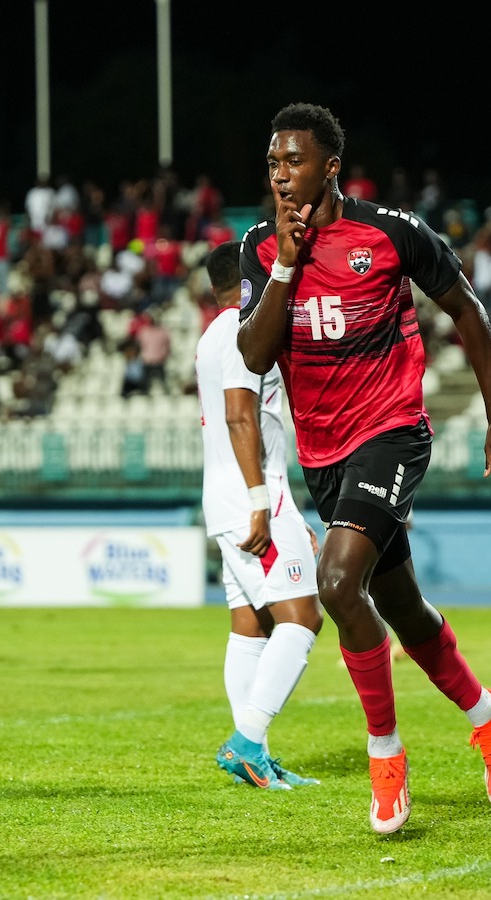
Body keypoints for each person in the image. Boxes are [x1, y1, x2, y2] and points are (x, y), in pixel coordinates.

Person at [237, 103, 491, 834]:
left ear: (330, 167)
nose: (281, 176)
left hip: (392, 432)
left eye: (295, 162)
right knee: (401, 606)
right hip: (323, 453)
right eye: (274, 163)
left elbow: (466, 309)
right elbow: (253, 355)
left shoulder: (390, 233)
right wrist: (286, 261)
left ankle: (387, 757)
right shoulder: (259, 248)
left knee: (339, 581)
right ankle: (487, 711)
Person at [198, 240, 324, 791]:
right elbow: (239, 415)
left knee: (250, 625)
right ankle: (247, 739)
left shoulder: (211, 334)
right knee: (303, 617)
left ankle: (257, 758)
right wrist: (261, 502)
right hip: (254, 496)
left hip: (232, 493)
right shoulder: (239, 329)